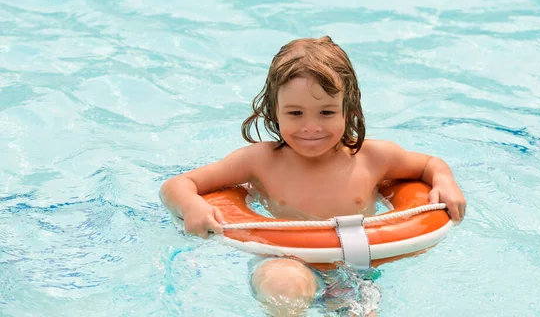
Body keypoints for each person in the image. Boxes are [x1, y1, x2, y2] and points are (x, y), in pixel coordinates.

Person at [160, 36, 467, 316]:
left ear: (349, 110)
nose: (311, 127)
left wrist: (445, 181)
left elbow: (429, 164)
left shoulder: (374, 159)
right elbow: (178, 185)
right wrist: (191, 205)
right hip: (286, 258)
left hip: (355, 267)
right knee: (284, 286)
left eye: (326, 113)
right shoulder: (260, 161)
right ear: (274, 111)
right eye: (295, 113)